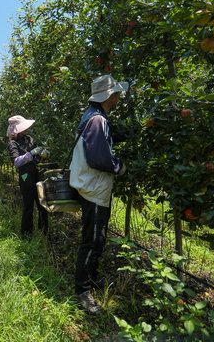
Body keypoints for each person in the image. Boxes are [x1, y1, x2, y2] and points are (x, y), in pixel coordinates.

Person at [69, 74, 128, 315]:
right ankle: (83, 290)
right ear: (108, 96)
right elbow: (98, 157)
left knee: (98, 237)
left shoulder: (96, 117)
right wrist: (119, 166)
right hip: (93, 187)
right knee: (93, 240)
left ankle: (91, 279)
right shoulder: (97, 121)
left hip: (92, 186)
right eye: (116, 93)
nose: (119, 96)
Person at [7, 115, 49, 237]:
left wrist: (42, 153)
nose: (25, 129)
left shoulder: (29, 139)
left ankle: (44, 231)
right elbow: (16, 162)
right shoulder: (13, 144)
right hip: (25, 176)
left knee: (42, 203)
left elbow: (37, 153)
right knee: (28, 205)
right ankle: (26, 234)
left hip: (36, 173)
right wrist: (30, 154)